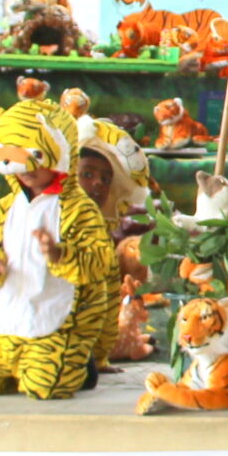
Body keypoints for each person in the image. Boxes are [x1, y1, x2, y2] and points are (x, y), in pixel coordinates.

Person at [0, 100, 111, 400]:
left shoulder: (79, 210)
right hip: (2, 314)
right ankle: (11, 359)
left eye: (35, 162)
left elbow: (99, 262)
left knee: (45, 386)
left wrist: (59, 255)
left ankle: (75, 363)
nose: (26, 173)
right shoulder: (3, 209)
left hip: (54, 318)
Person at [73, 115, 155, 376]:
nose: (98, 183)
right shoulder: (52, 218)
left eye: (106, 179)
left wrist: (100, 358)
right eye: (87, 174)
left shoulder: (101, 231)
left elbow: (107, 299)